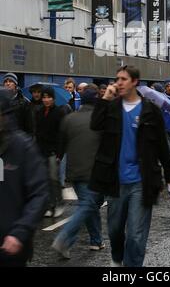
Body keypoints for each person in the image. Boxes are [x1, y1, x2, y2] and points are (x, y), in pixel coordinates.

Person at [89, 65, 170, 267]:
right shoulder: (111, 107)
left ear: (135, 82)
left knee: (137, 235)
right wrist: (105, 99)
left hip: (141, 180)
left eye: (123, 79)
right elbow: (95, 125)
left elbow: (162, 146)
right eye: (117, 78)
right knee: (115, 230)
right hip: (115, 180)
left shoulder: (150, 111)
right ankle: (117, 258)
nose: (118, 82)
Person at [52, 88, 105, 259]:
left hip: (74, 172)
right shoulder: (101, 119)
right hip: (95, 172)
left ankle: (96, 240)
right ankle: (64, 239)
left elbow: (60, 145)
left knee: (89, 205)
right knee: (89, 205)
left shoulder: (69, 118)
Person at [0, 87, 49, 267]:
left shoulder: (23, 148)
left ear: (5, 115)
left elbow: (40, 194)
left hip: (12, 245)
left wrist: (20, 232)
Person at [35, 86, 66, 218]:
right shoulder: (39, 112)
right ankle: (49, 205)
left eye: (49, 97)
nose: (46, 100)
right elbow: (37, 132)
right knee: (44, 179)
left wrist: (60, 153)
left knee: (53, 178)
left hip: (53, 151)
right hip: (41, 150)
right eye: (44, 97)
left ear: (53, 98)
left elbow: (62, 135)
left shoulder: (59, 112)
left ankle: (59, 203)